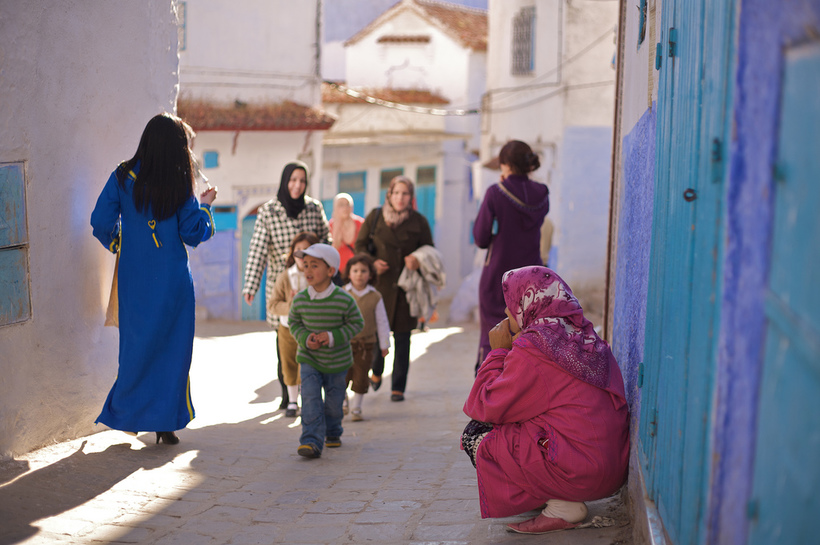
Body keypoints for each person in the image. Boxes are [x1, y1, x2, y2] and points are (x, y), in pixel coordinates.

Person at [461, 266, 629, 535]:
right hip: (611, 469)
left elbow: (484, 405)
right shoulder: (582, 336)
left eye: (511, 305)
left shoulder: (535, 348)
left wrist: (498, 352)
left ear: (528, 305)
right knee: (522, 421)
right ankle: (556, 494)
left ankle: (560, 505)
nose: (506, 314)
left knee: (476, 433)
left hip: (580, 473)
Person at [90, 112, 217, 445]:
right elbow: (192, 233)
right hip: (173, 280)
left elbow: (100, 220)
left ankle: (127, 415)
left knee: (136, 348)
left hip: (135, 278)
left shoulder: (122, 176)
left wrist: (121, 242)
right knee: (173, 351)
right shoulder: (180, 183)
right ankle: (165, 425)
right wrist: (205, 207)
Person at [242, 161, 330, 409]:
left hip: (313, 286)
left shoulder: (314, 208)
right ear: (284, 181)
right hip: (282, 287)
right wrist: (251, 285)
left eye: (302, 181)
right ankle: (287, 393)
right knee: (285, 344)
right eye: (293, 180)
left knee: (311, 341)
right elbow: (258, 249)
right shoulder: (269, 211)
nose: (297, 185)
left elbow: (326, 241)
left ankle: (308, 392)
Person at [354, 175, 434, 402]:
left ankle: (398, 387)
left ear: (411, 197)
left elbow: (429, 250)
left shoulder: (418, 221)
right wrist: (371, 263)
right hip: (379, 287)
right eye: (396, 193)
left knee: (402, 337)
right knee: (378, 333)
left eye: (405, 193)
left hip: (405, 289)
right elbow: (359, 245)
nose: (400, 198)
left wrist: (417, 259)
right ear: (389, 194)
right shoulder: (376, 216)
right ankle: (376, 371)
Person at [473, 140, 550, 373]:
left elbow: (481, 238)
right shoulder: (542, 192)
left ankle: (492, 384)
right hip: (532, 278)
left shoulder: (496, 193)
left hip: (499, 276)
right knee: (527, 332)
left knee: (494, 334)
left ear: (505, 166)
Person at [288, 244, 364, 458]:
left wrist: (331, 337)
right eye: (305, 265)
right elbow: (294, 323)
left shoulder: (344, 299)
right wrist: (305, 338)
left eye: (314, 265)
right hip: (309, 358)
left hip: (337, 362)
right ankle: (311, 440)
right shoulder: (301, 299)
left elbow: (357, 323)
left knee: (333, 403)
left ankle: (333, 431)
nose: (308, 270)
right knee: (310, 398)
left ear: (331, 271)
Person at [267, 231, 321, 417]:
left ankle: (309, 400)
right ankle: (292, 401)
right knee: (289, 364)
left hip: (312, 329)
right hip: (288, 328)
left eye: (308, 250)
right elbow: (273, 305)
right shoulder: (285, 277)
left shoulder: (319, 277)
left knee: (310, 365)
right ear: (292, 253)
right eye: (299, 250)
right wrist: (291, 305)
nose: (302, 254)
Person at [343, 254, 390, 421]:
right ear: (348, 273)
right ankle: (343, 401)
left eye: (363, 271)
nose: (359, 274)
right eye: (355, 271)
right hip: (344, 345)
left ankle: (357, 407)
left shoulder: (375, 296)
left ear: (370, 274)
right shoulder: (342, 293)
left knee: (361, 376)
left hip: (366, 345)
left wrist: (384, 344)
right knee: (342, 375)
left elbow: (382, 321)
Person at [329, 192, 364, 281]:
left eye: (348, 205)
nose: (345, 208)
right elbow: (332, 250)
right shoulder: (331, 225)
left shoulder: (360, 224)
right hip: (337, 272)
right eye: (341, 205)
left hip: (356, 272)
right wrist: (337, 228)